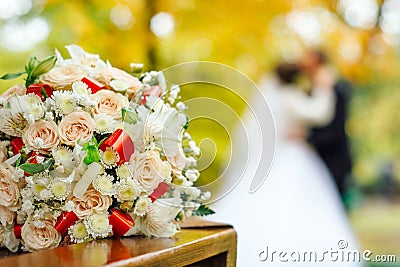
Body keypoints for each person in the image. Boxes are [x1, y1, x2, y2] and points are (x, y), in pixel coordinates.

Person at [207, 62, 361, 266]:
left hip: (275, 157)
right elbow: (319, 113)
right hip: (292, 155)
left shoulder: (270, 97)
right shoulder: (289, 96)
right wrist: (324, 87)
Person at [300, 50, 353, 199]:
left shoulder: (336, 89)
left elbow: (335, 130)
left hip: (334, 158)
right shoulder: (309, 89)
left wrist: (306, 138)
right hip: (316, 159)